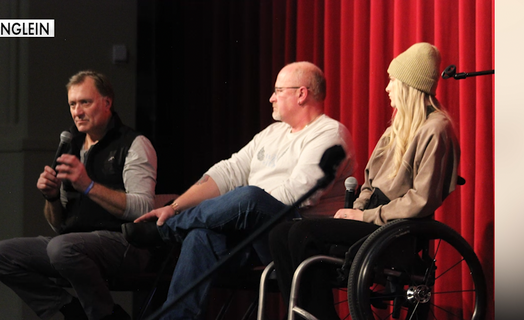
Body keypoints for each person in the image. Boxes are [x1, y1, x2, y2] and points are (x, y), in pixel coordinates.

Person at [122, 61, 355, 319]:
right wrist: (175, 206)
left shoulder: (329, 133)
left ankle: (165, 230)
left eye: (278, 90)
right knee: (201, 237)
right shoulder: (272, 133)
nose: (271, 97)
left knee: (251, 197)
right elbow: (228, 172)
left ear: (301, 94)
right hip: (252, 235)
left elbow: (298, 194)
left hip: (295, 237)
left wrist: (240, 207)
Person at [269, 42, 461, 319]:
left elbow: (421, 199)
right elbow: (369, 183)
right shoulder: (396, 128)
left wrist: (365, 216)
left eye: (392, 81)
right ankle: (305, 314)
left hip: (398, 229)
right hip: (371, 217)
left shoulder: (436, 128)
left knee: (302, 234)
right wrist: (353, 211)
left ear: (408, 85)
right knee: (280, 233)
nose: (387, 88)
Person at [0, 70, 158, 320]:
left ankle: (105, 315)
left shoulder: (134, 144)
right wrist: (52, 197)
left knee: (62, 248)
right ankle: (69, 312)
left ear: (107, 102)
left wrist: (88, 185)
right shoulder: (71, 146)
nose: (77, 111)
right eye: (72, 104)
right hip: (71, 244)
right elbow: (59, 225)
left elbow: (142, 208)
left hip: (126, 243)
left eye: (85, 102)